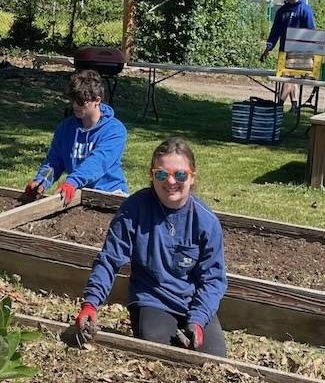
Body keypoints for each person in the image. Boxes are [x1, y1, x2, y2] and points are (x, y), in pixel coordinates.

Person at [74, 137, 228, 355]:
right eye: (162, 174)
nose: (171, 182)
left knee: (213, 359)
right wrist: (91, 302)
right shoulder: (134, 210)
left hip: (192, 302)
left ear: (192, 177)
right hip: (152, 299)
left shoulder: (206, 221)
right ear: (152, 175)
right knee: (160, 353)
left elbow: (213, 279)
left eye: (180, 174)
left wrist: (198, 320)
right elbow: (109, 259)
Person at [25, 70, 128, 203]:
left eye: (80, 102)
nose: (74, 105)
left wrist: (72, 181)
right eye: (73, 100)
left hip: (110, 193)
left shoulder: (115, 131)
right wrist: (41, 181)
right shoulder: (65, 127)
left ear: (97, 100)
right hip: (78, 196)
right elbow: (54, 161)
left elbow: (98, 161)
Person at [259, 0, 316, 109]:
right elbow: (275, 32)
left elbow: (311, 32)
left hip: (298, 52)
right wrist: (268, 48)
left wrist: (310, 53)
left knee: (288, 77)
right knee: (289, 78)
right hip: (283, 50)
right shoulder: (282, 11)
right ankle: (295, 106)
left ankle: (279, 104)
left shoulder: (304, 10)